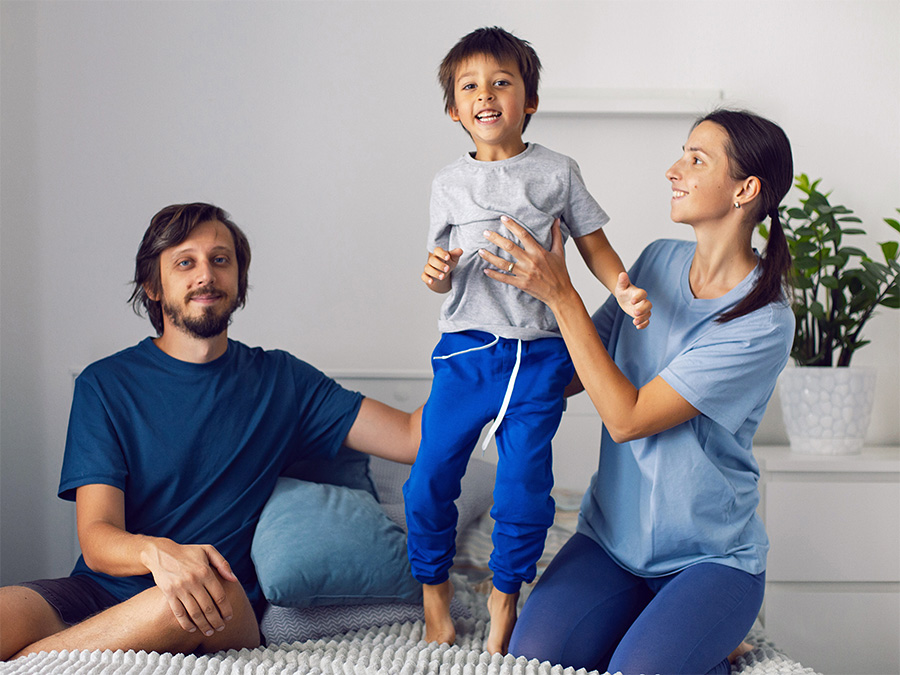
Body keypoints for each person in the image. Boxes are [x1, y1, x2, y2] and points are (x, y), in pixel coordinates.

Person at [0, 203, 423, 661]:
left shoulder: (283, 381)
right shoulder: (105, 385)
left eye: (221, 260)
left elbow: (410, 436)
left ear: (238, 281)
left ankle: (31, 664)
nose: (206, 274)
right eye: (186, 262)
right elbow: (98, 537)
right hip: (97, 591)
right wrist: (160, 554)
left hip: (218, 601)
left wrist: (483, 338)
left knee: (178, 601)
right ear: (152, 286)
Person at [477, 109, 795, 674]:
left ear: (746, 190)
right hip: (610, 544)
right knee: (534, 659)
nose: (674, 169)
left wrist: (562, 294)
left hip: (710, 561)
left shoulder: (762, 322)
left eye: (696, 160)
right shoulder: (655, 260)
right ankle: (672, 631)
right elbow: (579, 369)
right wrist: (481, 365)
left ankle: (707, 635)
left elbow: (627, 417)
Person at [406, 26, 652, 655]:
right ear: (455, 110)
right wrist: (435, 275)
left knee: (523, 485)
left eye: (502, 82)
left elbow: (594, 244)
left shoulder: (557, 171)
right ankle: (434, 593)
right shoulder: (447, 183)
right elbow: (442, 266)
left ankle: (504, 596)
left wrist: (621, 289)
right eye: (470, 87)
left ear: (529, 100)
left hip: (539, 353)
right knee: (430, 476)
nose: (486, 94)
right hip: (464, 352)